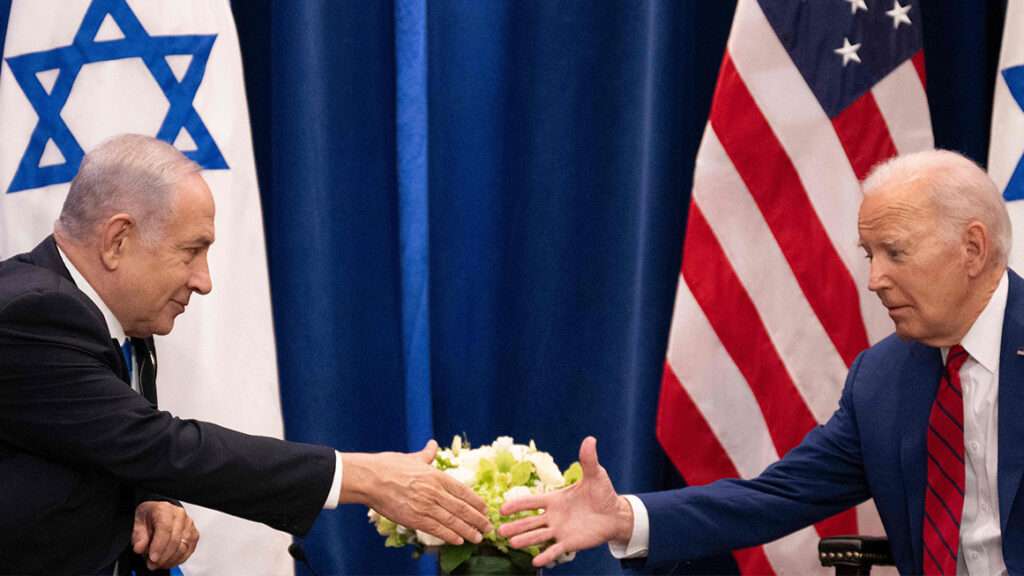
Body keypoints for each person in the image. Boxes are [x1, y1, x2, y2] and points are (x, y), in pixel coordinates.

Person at [500, 149, 1023, 575]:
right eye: (869, 254)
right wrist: (624, 518)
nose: (874, 279)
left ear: (972, 249)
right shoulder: (883, 380)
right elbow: (774, 497)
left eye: (895, 252)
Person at [0, 134, 492, 575]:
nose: (204, 281)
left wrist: (149, 497)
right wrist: (363, 477)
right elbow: (155, 443)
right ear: (118, 240)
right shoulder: (32, 314)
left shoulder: (109, 315)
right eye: (191, 251)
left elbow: (97, 442)